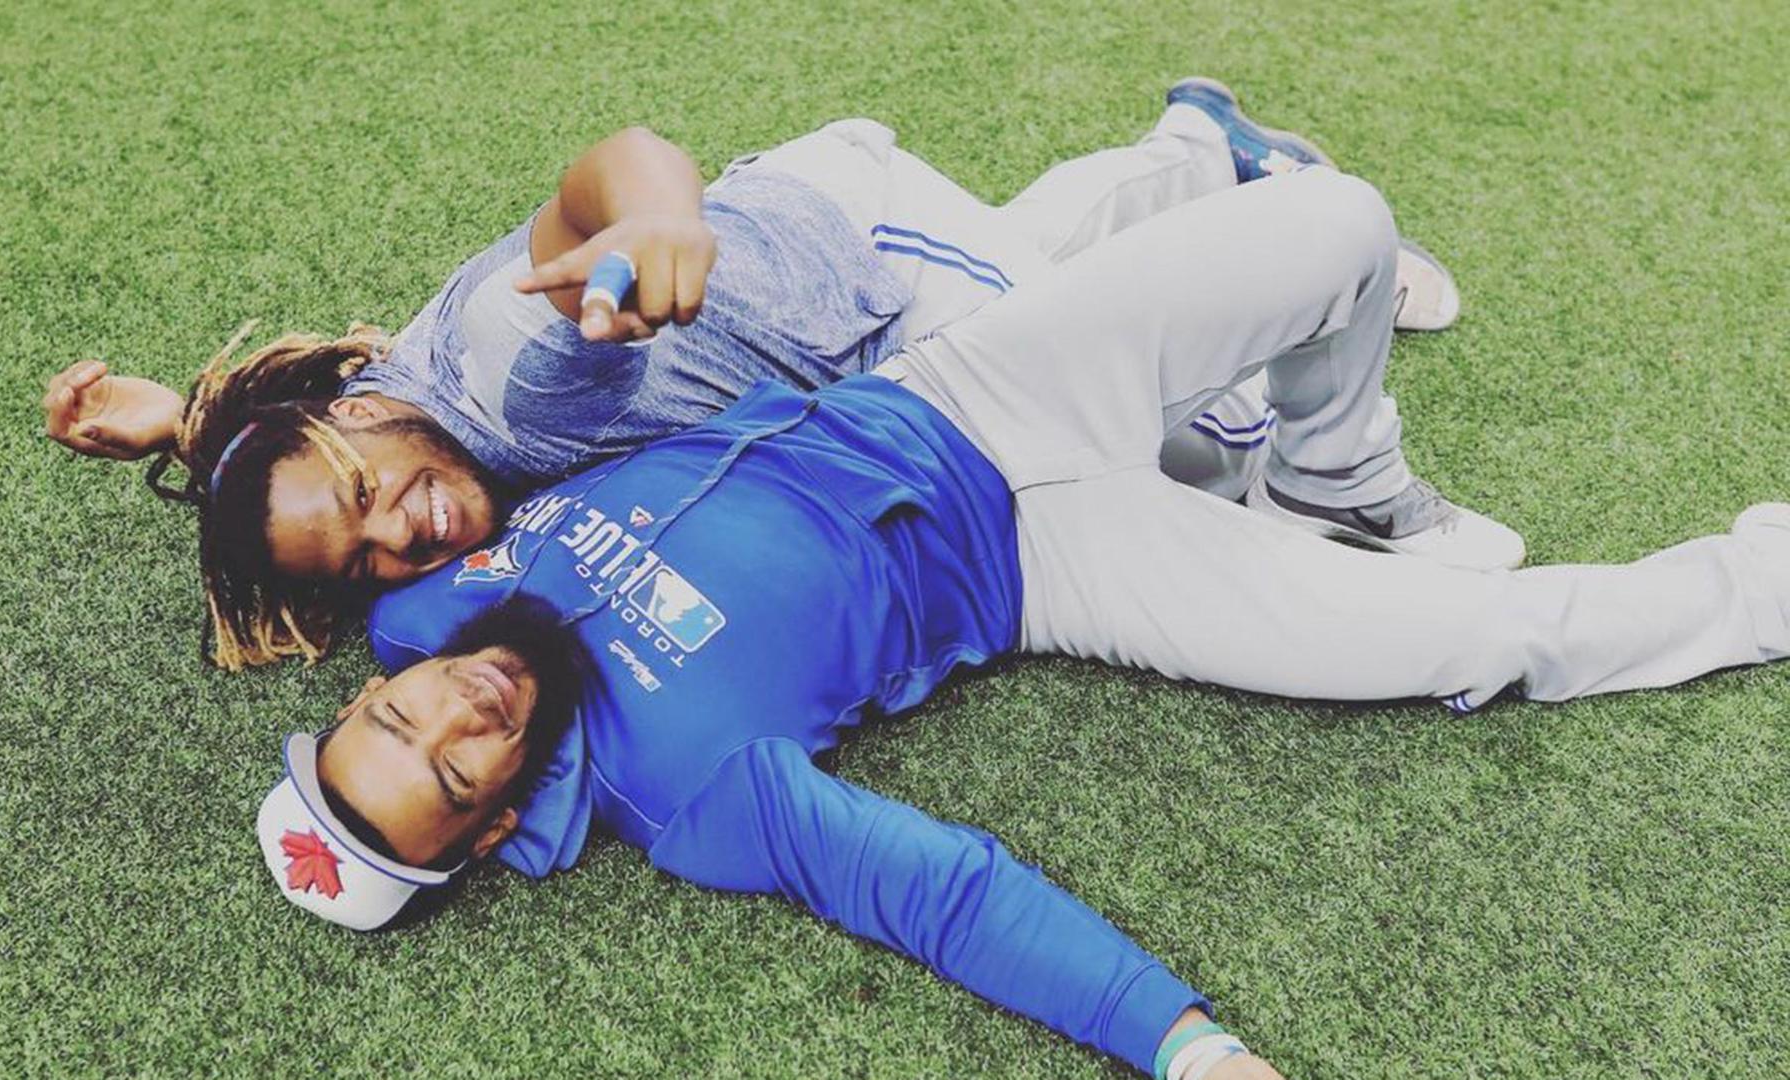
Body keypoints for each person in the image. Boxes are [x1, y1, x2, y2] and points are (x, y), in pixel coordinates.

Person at [254, 166, 1790, 1076]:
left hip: (967, 384)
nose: (459, 718)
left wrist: (187, 423)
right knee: (1472, 642)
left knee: (1339, 221)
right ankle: (1758, 586)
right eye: (455, 776)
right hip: (1055, 563)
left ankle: (1334, 472)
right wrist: (1189, 1049)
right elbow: (943, 894)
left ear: (362, 692)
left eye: (397, 720)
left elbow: (330, 462)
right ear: (492, 827)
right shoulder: (696, 800)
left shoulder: (433, 597)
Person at [41, 79, 1486, 670]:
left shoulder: (506, 375)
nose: (401, 534)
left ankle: (1298, 269)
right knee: (1043, 261)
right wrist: (187, 425)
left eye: (367, 495)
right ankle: (1198, 145)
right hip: (832, 257)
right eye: (358, 556)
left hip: (863, 265)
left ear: (364, 416)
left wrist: (657, 218)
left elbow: (603, 174)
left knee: (1197, 437)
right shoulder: (382, 417)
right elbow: (292, 458)